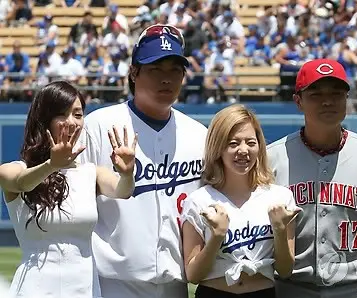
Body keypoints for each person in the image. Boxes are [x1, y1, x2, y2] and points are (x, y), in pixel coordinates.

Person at [78, 24, 208, 298]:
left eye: (175, 70)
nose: (166, 79)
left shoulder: (199, 135)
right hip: (111, 283)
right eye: (155, 69)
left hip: (176, 284)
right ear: (134, 72)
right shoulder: (99, 126)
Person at [266, 58, 357, 298]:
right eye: (315, 94)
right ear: (298, 101)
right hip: (289, 289)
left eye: (337, 93)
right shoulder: (271, 159)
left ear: (347, 99)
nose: (327, 101)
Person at [0, 81, 137, 297]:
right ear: (44, 119)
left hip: (85, 290)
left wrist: (128, 173)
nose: (71, 122)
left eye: (78, 115)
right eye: (62, 114)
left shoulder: (91, 173)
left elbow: (123, 190)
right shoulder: (15, 170)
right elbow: (21, 183)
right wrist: (52, 165)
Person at [181, 104, 301, 298]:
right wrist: (217, 236)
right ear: (218, 148)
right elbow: (193, 275)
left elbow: (285, 270)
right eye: (233, 143)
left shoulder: (280, 197)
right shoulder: (199, 200)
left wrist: (279, 230)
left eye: (251, 143)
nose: (243, 150)